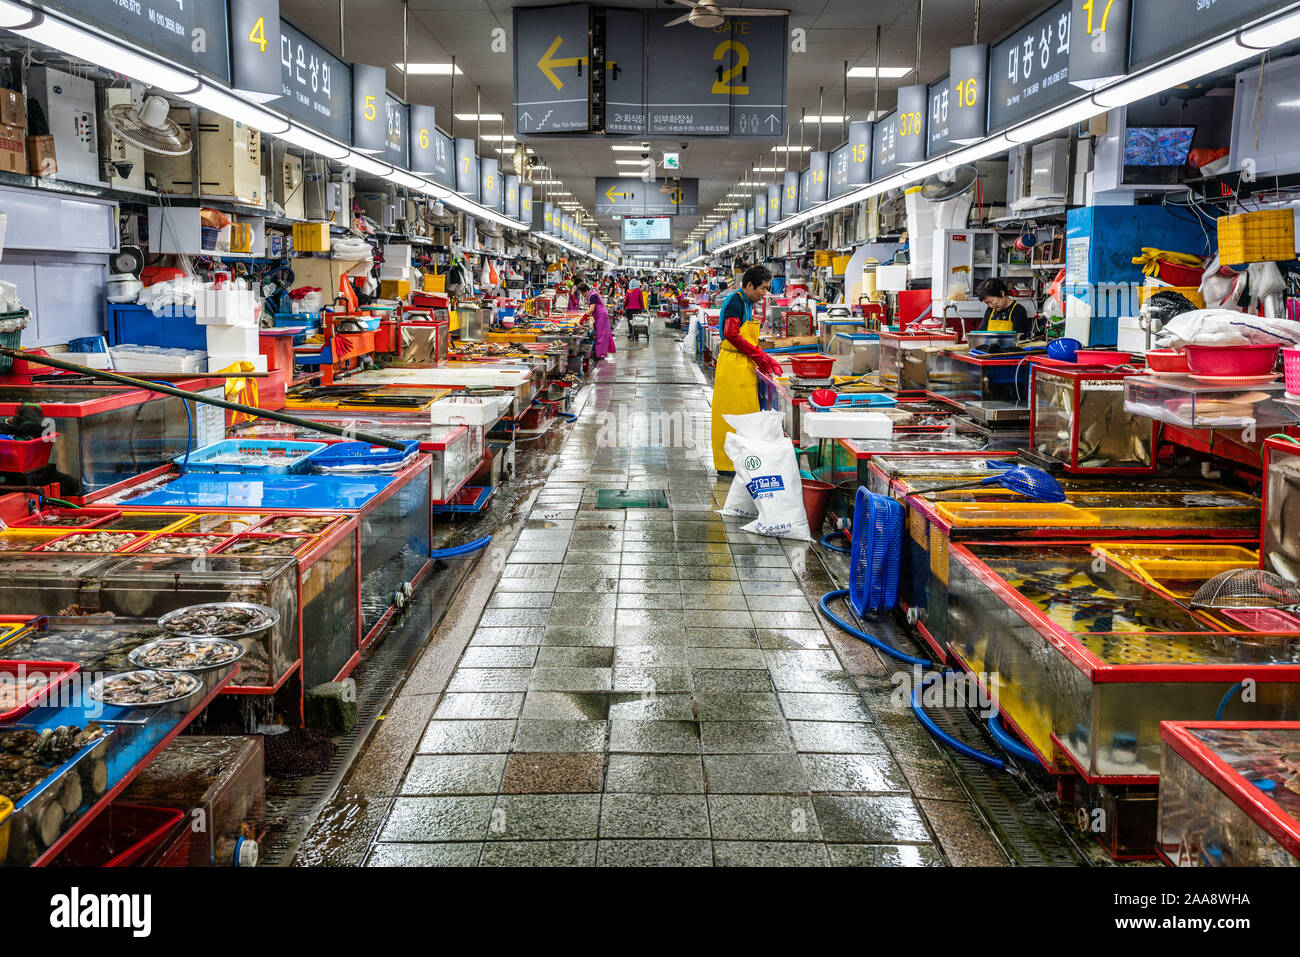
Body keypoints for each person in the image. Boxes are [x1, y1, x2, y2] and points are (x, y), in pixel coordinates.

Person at [711, 265, 782, 473]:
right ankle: (729, 465)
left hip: (742, 365)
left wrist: (762, 356)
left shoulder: (747, 303)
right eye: (763, 288)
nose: (764, 293)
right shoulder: (736, 302)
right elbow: (732, 334)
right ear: (749, 285)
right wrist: (760, 356)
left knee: (744, 418)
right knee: (733, 418)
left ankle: (741, 462)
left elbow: (744, 337)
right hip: (733, 367)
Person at [579, 282, 616, 360]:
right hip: (599, 315)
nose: (582, 295)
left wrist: (584, 317)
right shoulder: (592, 294)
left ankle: (600, 355)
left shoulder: (592, 296)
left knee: (601, 335)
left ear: (585, 291)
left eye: (582, 293)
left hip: (601, 316)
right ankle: (599, 353)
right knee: (600, 334)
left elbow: (592, 308)